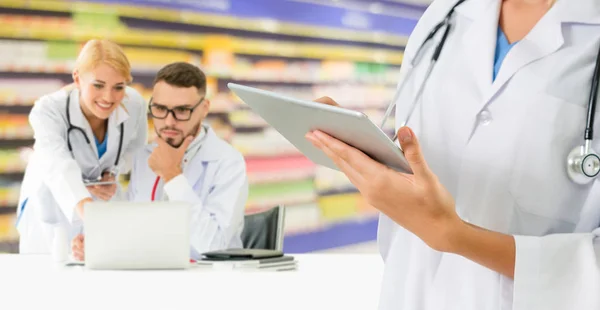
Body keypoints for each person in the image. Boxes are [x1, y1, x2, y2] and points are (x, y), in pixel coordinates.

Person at [305, 0, 600, 309]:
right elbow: (418, 152)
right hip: (409, 292)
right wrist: (367, 151)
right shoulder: (445, 14)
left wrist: (456, 236)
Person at [71, 62, 249, 261]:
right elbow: (134, 228)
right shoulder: (144, 156)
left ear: (204, 108)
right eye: (160, 108)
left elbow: (216, 247)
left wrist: (172, 176)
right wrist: (98, 242)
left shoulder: (228, 162)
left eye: (182, 111)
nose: (169, 122)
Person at [16, 39, 148, 254]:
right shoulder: (48, 110)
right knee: (50, 270)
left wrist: (111, 173)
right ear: (77, 78)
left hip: (100, 204)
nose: (109, 97)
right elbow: (56, 162)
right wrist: (86, 208)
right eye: (98, 85)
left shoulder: (135, 104)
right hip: (53, 204)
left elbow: (135, 150)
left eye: (119, 87)